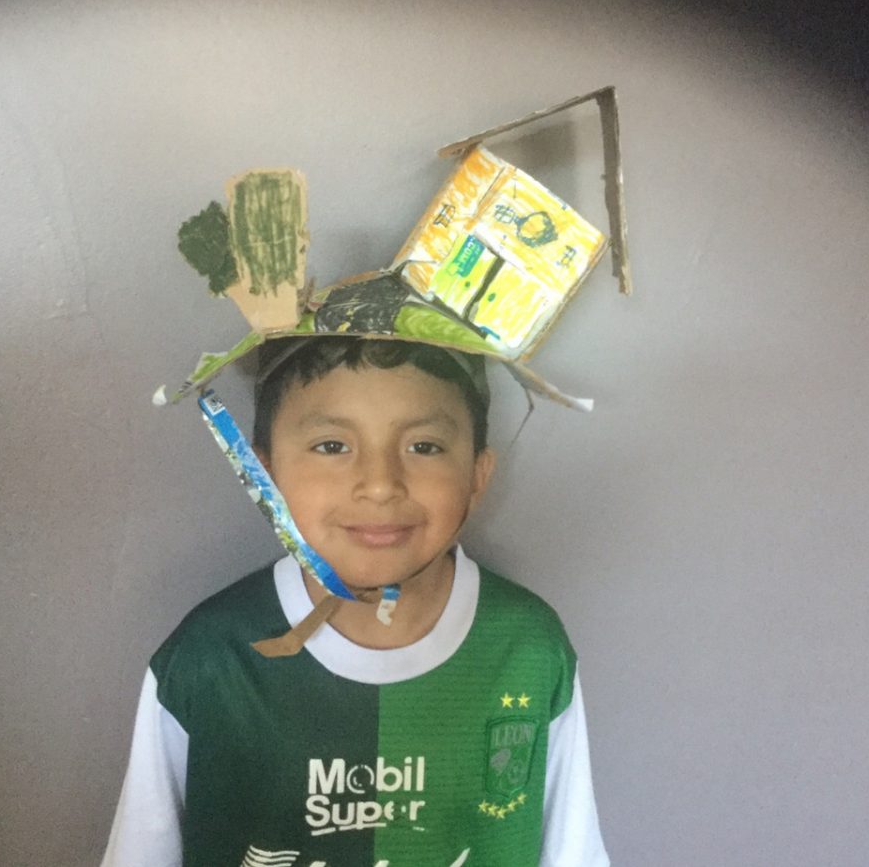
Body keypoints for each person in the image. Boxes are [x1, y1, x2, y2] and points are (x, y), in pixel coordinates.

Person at [101, 336, 609, 867]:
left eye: (424, 446)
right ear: (264, 472)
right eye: (332, 446)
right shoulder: (209, 659)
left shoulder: (527, 651)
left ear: (478, 476)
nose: (380, 484)